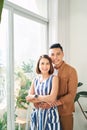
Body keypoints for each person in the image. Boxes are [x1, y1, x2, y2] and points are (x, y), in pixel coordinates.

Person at [34, 43, 78, 130]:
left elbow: (72, 94)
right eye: (52, 55)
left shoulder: (71, 71)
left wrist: (53, 104)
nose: (55, 57)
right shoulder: (47, 70)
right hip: (47, 112)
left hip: (64, 113)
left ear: (63, 54)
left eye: (58, 54)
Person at [26, 54, 60, 130]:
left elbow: (52, 98)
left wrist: (35, 97)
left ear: (50, 65)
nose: (45, 66)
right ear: (38, 65)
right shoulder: (35, 80)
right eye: (42, 63)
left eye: (47, 63)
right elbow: (28, 98)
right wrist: (44, 99)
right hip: (37, 113)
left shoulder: (54, 78)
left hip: (50, 114)